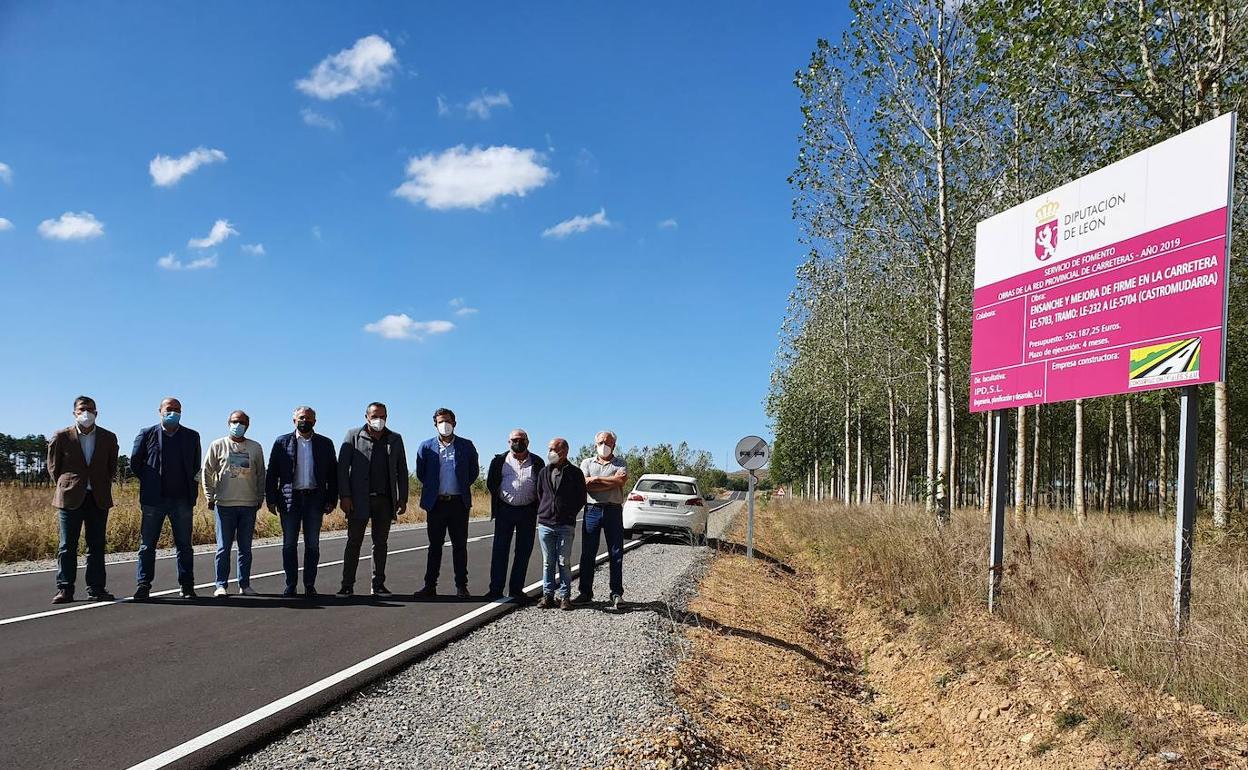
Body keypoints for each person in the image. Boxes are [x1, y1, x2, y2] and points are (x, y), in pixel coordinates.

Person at [46, 396, 119, 603]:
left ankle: (96, 588)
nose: (86, 412)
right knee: (67, 545)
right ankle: (65, 589)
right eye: (82, 409)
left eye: (90, 409)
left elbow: (111, 466)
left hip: (98, 497)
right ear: (74, 412)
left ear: (97, 413)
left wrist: (101, 482)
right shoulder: (61, 436)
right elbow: (53, 467)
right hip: (70, 497)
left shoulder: (108, 437)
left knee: (96, 545)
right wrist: (67, 485)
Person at [131, 397, 202, 599]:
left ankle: (187, 586)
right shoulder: (147, 434)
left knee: (185, 546)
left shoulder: (192, 436)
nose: (173, 412)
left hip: (182, 500)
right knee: (147, 545)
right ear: (159, 411)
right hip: (154, 500)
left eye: (177, 409)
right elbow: (135, 463)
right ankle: (143, 584)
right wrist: (150, 480)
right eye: (169, 409)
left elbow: (196, 466)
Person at [338, 402, 408, 597]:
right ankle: (347, 585)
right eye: (375, 416)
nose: (379, 420)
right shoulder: (353, 435)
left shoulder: (394, 438)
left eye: (383, 416)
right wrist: (344, 496)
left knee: (381, 543)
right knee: (353, 542)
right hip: (358, 500)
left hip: (385, 501)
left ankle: (378, 584)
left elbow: (402, 469)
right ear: (366, 416)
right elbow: (342, 468)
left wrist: (402, 498)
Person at [267, 406, 338, 597]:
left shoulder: (325, 443)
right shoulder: (282, 442)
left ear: (315, 421)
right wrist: (271, 499)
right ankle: (290, 584)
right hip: (290, 500)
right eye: (301, 418)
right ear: (294, 420)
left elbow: (333, 474)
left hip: (315, 499)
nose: (304, 421)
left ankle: (309, 585)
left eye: (308, 418)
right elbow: (272, 472)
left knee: (312, 545)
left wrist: (332, 499)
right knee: (289, 545)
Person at [414, 407, 479, 599]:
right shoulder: (426, 447)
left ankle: (461, 586)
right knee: (435, 546)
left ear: (455, 423)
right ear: (435, 424)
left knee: (460, 546)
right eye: (441, 421)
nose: (445, 425)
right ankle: (430, 586)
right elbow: (421, 473)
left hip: (459, 503)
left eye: (448, 421)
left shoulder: (466, 446)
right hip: (436, 504)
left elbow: (473, 472)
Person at [202, 410, 266, 598]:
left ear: (248, 425)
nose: (238, 425)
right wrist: (209, 495)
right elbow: (206, 471)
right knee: (223, 548)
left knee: (245, 549)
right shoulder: (218, 445)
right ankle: (221, 584)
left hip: (248, 504)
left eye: (242, 422)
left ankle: (244, 584)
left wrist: (260, 496)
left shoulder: (255, 447)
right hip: (224, 504)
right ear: (228, 423)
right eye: (235, 421)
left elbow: (261, 473)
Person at [484, 428, 544, 601]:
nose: (518, 442)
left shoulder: (537, 461)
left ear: (528, 441)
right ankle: (495, 589)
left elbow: (542, 485)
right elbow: (491, 483)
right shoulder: (499, 461)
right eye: (515, 440)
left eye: (522, 439)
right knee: (500, 551)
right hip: (505, 510)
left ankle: (516, 590)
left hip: (528, 511)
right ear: (509, 442)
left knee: (523, 551)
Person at [573, 430, 629, 610]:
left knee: (616, 553)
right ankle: (585, 592)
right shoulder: (587, 462)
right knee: (588, 553)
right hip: (592, 510)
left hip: (613, 510)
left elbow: (621, 482)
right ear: (595, 443)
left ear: (614, 444)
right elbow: (584, 484)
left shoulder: (620, 463)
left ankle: (616, 593)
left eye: (607, 442)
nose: (603, 445)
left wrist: (596, 480)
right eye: (600, 442)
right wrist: (608, 481)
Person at [535, 438, 586, 610]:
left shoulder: (575, 473)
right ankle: (548, 596)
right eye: (549, 448)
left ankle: (565, 597)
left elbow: (581, 498)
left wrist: (569, 513)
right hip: (545, 524)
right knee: (548, 562)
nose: (550, 452)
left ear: (564, 451)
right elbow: (540, 494)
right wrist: (545, 511)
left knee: (564, 561)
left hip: (565, 525)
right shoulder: (544, 472)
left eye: (553, 449)